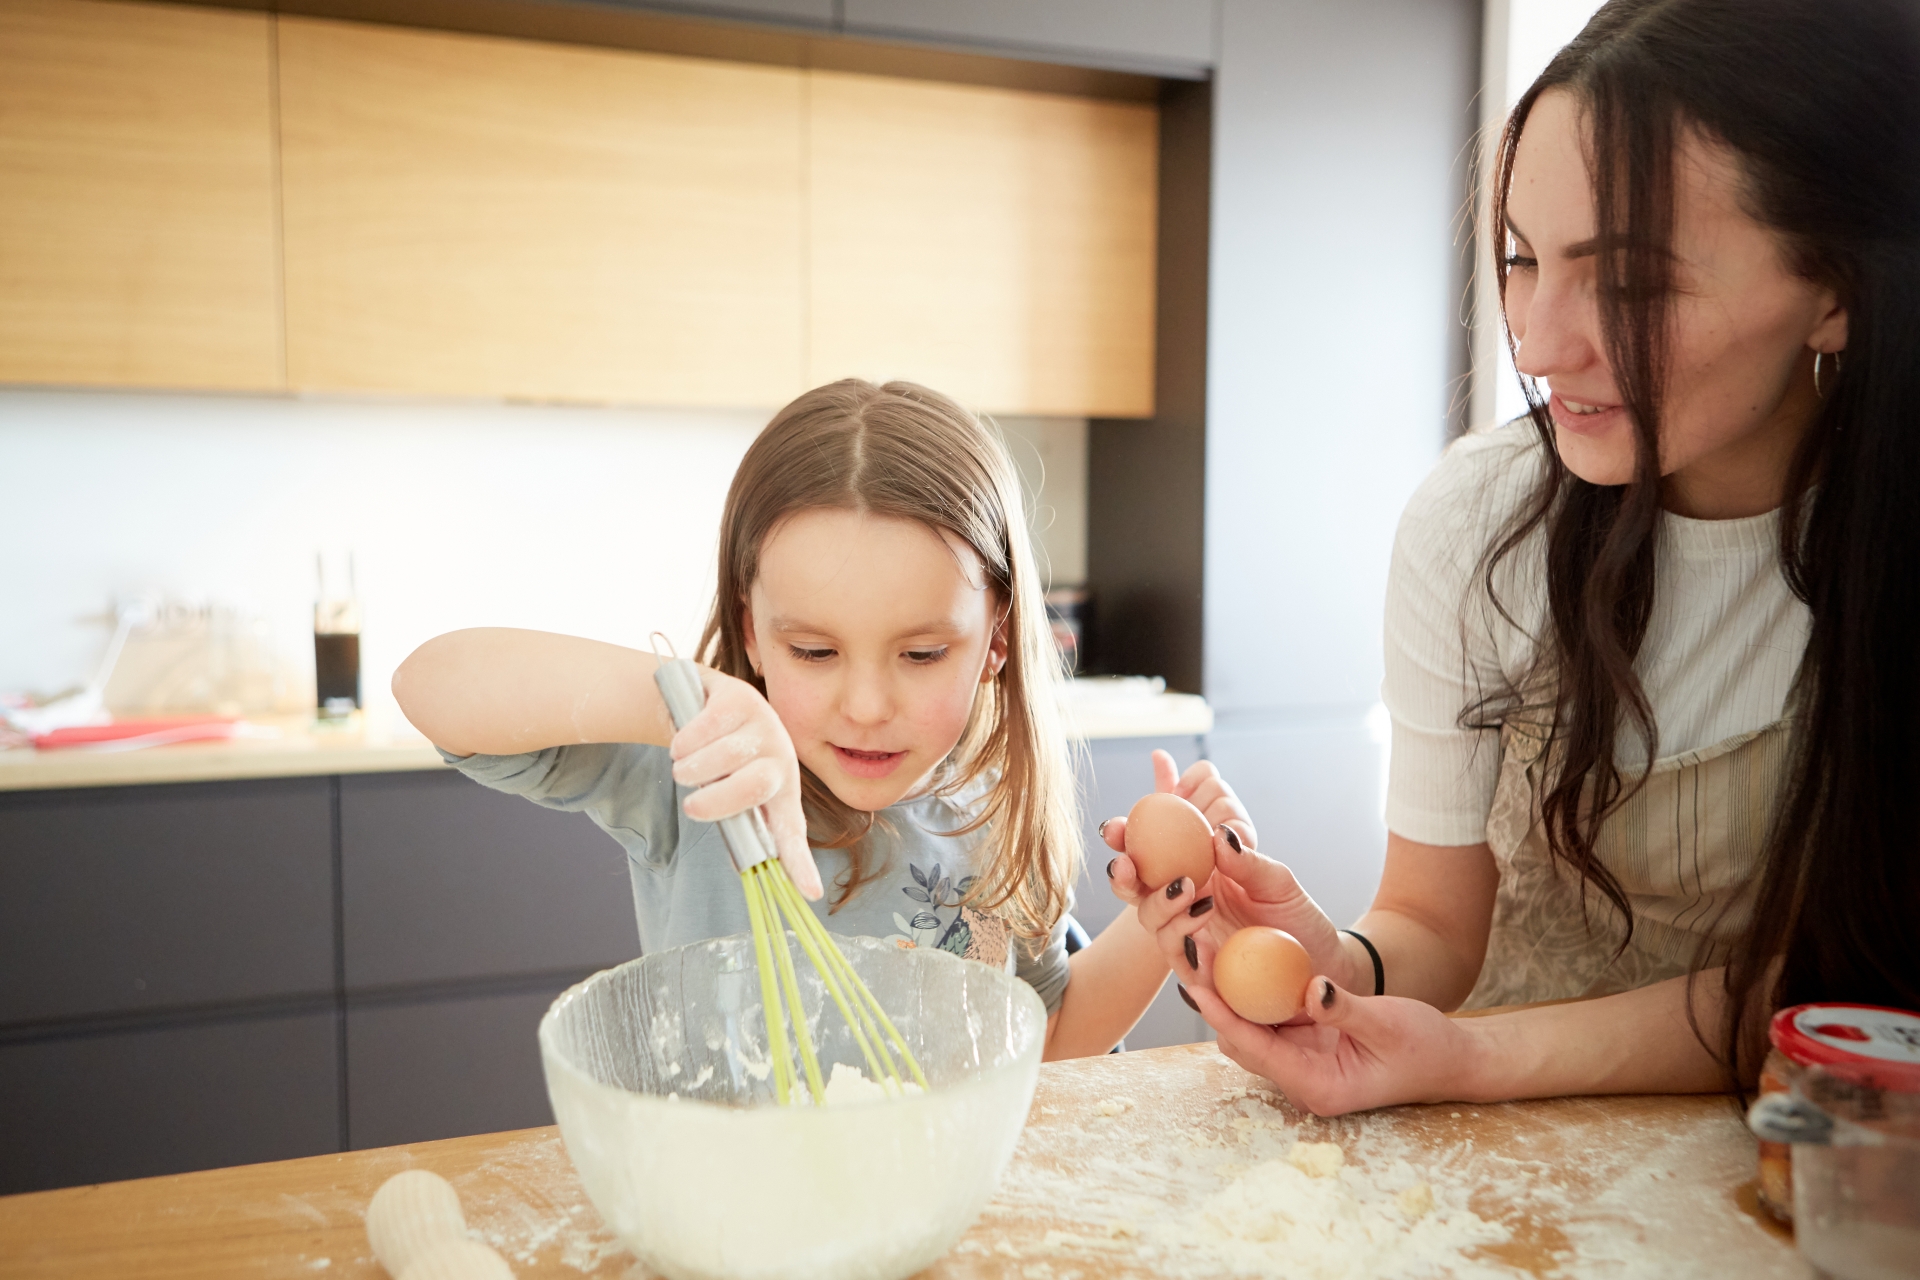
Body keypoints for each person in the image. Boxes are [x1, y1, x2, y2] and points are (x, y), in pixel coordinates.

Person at [1105, 0, 1920, 1114]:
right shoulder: (1485, 523)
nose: (1536, 343)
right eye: (1523, 258)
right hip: (1507, 1146)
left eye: (1631, 281)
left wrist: (1472, 1055)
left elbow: (1840, 985)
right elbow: (1436, 924)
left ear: (1834, 289)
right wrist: (1336, 966)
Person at [394, 378, 1246, 1060]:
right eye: (812, 652)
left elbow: (1050, 1043)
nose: (868, 706)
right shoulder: (697, 773)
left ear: (995, 638)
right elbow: (432, 686)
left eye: (920, 655)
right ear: (752, 630)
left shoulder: (997, 808)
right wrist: (684, 704)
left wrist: (1157, 923)